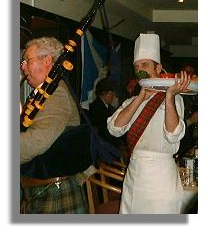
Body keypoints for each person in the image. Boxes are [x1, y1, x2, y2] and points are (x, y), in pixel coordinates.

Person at [107, 33, 191, 214]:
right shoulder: (131, 101)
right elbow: (114, 129)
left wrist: (169, 95)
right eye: (137, 66)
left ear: (159, 68)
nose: (140, 70)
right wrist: (139, 98)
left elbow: (174, 134)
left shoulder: (174, 99)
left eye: (145, 65)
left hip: (161, 177)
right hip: (134, 175)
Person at [20, 37, 95, 214]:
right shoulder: (45, 92)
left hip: (54, 192)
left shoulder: (55, 93)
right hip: (45, 189)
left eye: (26, 61)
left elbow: (37, 141)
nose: (23, 67)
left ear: (47, 61)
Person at [88, 77, 123, 149]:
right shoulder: (96, 107)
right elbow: (103, 130)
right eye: (111, 94)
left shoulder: (107, 106)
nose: (113, 97)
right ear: (104, 93)